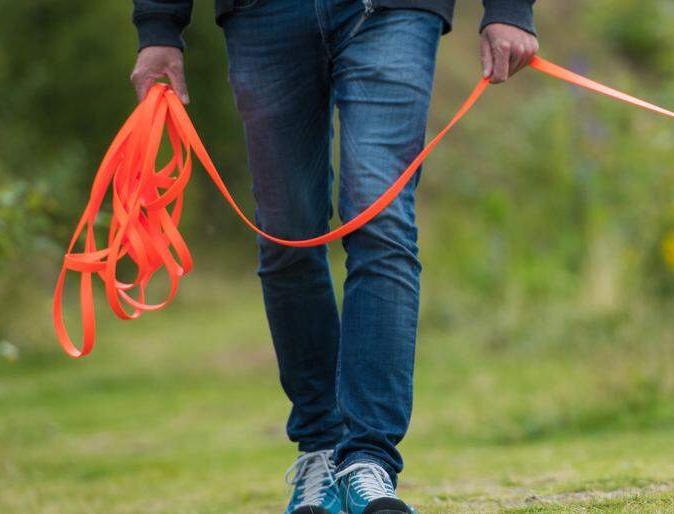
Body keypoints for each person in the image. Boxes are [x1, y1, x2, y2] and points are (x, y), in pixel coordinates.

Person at [128, 1, 538, 513]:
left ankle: (368, 461)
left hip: (393, 10)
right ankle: (321, 449)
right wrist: (159, 27)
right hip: (262, 13)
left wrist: (509, 8)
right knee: (285, 236)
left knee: (381, 219)